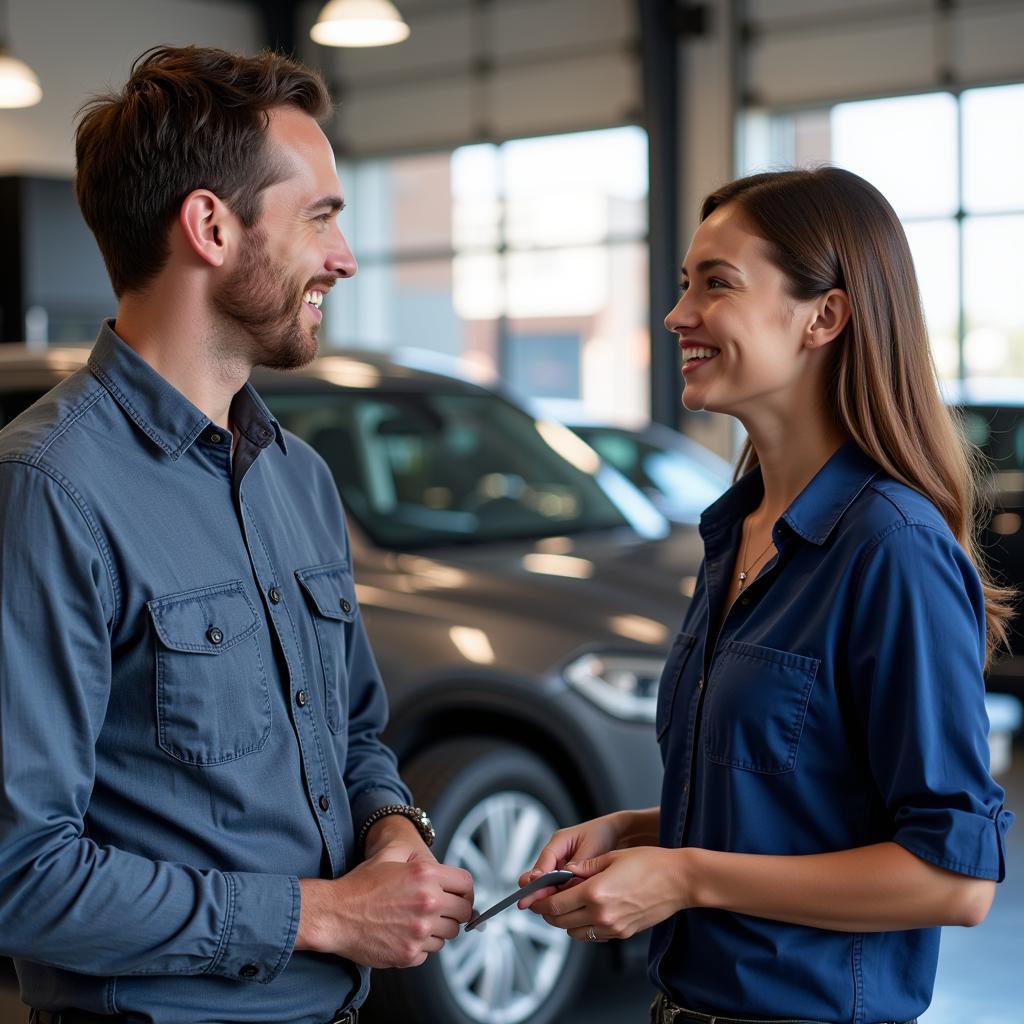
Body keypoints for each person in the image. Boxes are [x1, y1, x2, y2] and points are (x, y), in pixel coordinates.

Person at [0, 45, 473, 1024]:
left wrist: (391, 828)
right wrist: (324, 915)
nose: (343, 258)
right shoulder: (47, 490)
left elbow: (351, 735)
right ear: (210, 226)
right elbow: (20, 873)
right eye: (322, 217)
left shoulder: (296, 477)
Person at [519, 167, 1015, 1024]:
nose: (678, 316)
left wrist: (682, 875)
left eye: (717, 284)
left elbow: (953, 877)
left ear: (824, 315)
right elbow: (800, 799)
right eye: (684, 285)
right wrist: (637, 831)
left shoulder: (891, 548)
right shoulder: (738, 531)